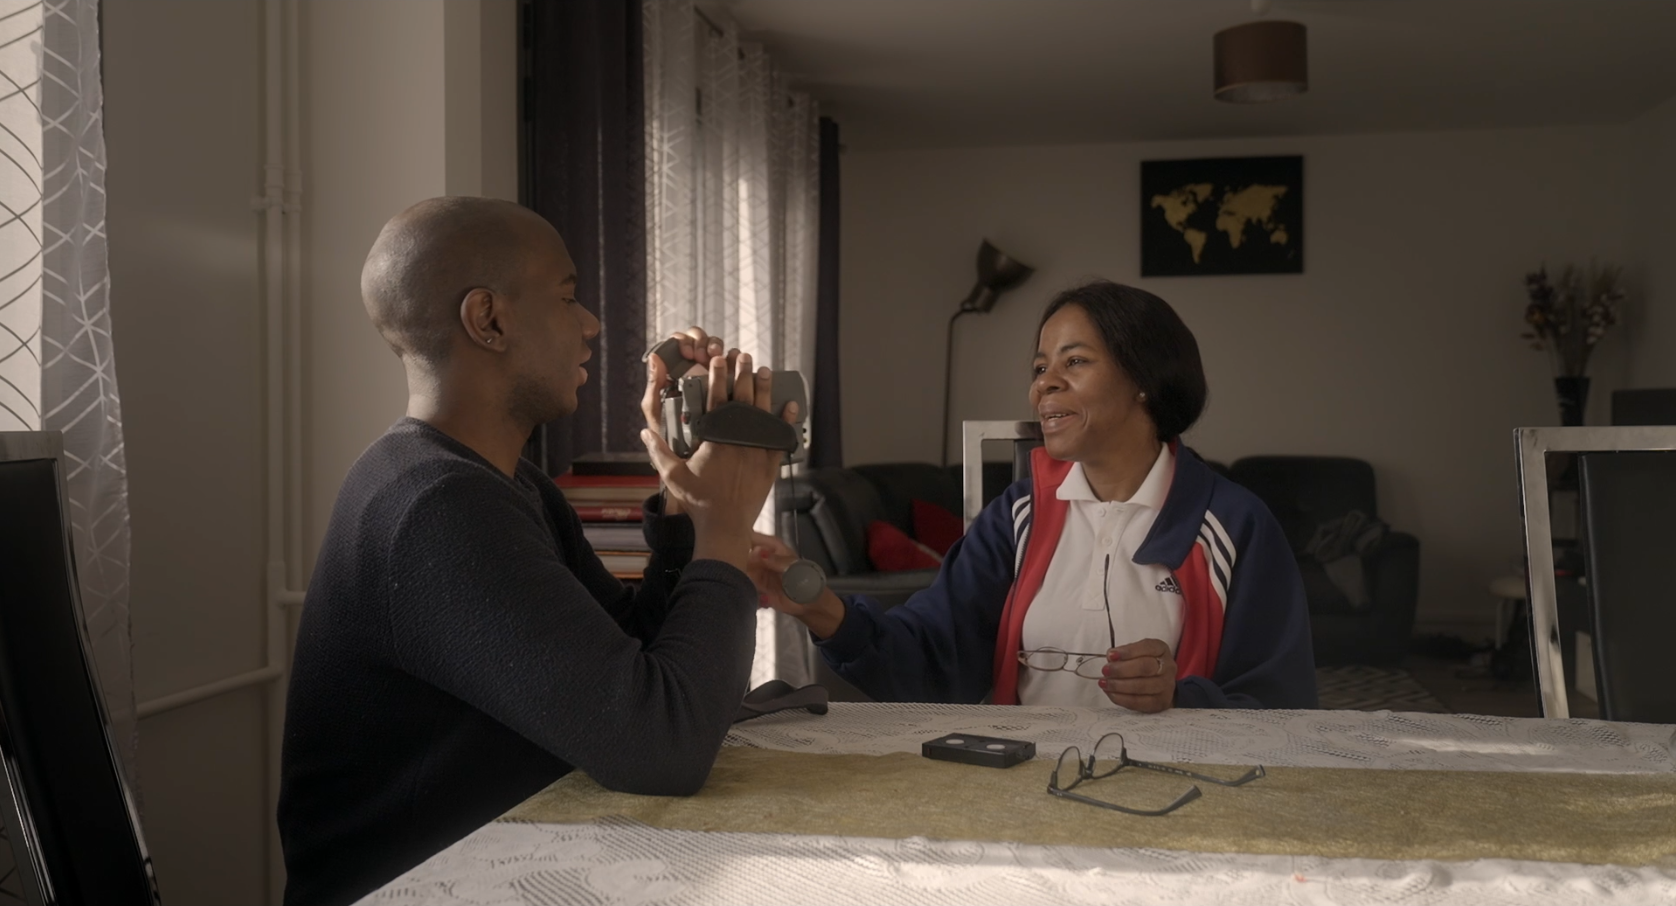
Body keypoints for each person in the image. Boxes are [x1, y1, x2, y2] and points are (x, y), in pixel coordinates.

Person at [278, 197, 789, 906]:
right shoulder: (435, 506)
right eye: (568, 296)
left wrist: (686, 504)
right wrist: (726, 528)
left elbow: (636, 657)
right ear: (488, 319)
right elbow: (663, 747)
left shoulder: (503, 484)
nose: (592, 325)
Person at [750, 280, 1316, 711]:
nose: (1043, 383)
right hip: (1029, 796)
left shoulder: (1235, 525)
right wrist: (819, 607)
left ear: (1144, 379)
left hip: (1181, 802)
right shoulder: (1017, 516)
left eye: (1075, 361)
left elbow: (1282, 706)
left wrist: (1180, 697)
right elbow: (930, 661)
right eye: (1041, 366)